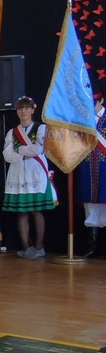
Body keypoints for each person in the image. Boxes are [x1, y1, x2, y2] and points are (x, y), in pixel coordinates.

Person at [2, 95, 57, 258]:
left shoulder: (41, 128)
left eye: (26, 107)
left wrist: (18, 150)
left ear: (33, 110)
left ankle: (39, 247)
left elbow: (38, 148)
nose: (23, 111)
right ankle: (26, 247)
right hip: (17, 173)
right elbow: (7, 154)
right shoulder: (12, 132)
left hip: (35, 172)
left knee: (36, 211)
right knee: (22, 212)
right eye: (20, 108)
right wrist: (23, 154)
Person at [74, 89, 106, 257]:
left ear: (101, 101)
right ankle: (91, 246)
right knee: (90, 206)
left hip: (104, 167)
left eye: (94, 103)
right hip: (87, 167)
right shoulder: (84, 120)